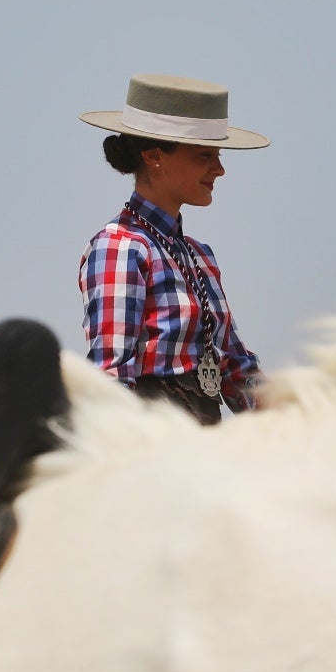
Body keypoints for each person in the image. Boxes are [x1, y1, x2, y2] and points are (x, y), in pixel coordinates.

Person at [78, 74, 269, 425]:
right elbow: (112, 379)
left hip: (203, 443)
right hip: (155, 446)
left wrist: (307, 417)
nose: (220, 169)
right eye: (204, 156)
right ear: (154, 157)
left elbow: (236, 369)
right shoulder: (120, 249)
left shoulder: (199, 256)